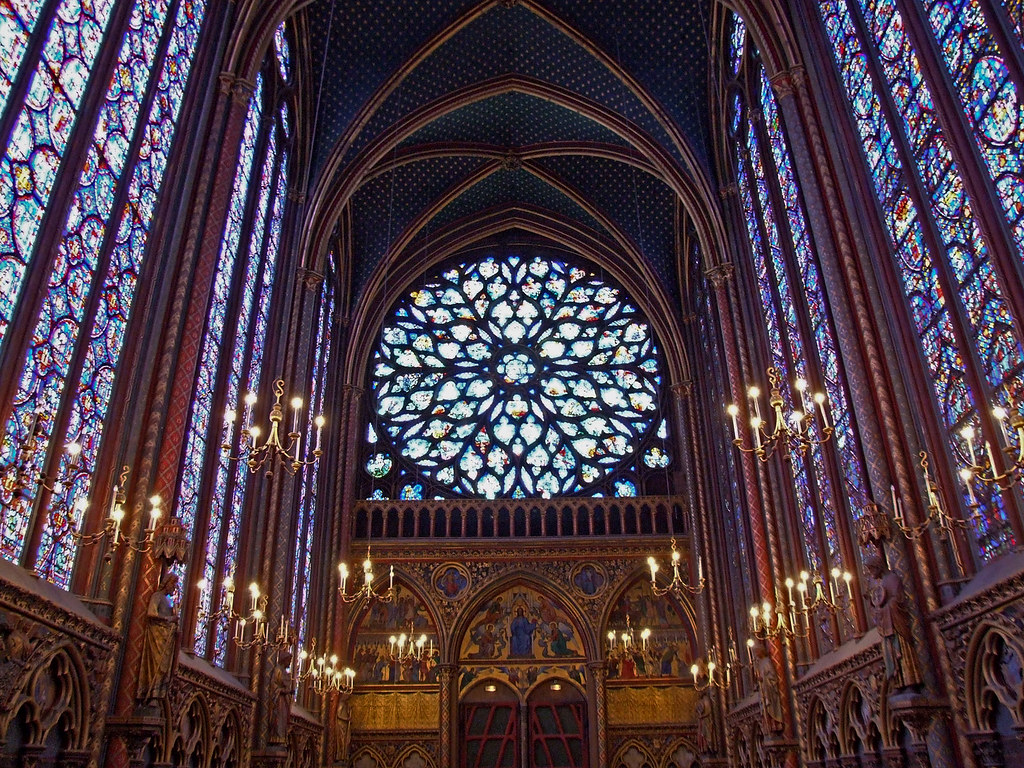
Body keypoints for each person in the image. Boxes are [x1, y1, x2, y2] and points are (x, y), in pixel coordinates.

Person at [864, 551, 922, 690]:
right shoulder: (880, 583)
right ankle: (898, 683)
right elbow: (879, 600)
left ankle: (910, 682)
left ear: (878, 567)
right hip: (886, 627)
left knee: (902, 652)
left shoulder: (892, 579)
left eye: (871, 569)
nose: (870, 573)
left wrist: (883, 608)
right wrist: (873, 604)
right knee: (890, 655)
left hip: (897, 626)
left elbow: (898, 601)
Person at [137, 573, 179, 706]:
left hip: (166, 636)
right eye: (173, 584)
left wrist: (174, 612)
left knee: (165, 668)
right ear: (166, 583)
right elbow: (151, 613)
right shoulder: (157, 596)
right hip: (157, 635)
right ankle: (151, 693)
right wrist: (169, 619)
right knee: (157, 665)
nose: (174, 587)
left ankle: (158, 693)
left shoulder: (168, 600)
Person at [753, 644, 783, 731]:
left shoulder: (766, 662)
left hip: (768, 688)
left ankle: (775, 723)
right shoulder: (759, 663)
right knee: (765, 707)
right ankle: (769, 725)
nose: (756, 654)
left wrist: (764, 678)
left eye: (757, 651)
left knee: (770, 705)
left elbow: (772, 675)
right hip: (763, 689)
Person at [270, 649, 294, 743]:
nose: (290, 663)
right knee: (278, 719)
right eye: (289, 661)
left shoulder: (284, 672)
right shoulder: (278, 670)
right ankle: (276, 738)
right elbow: (274, 685)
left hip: (284, 701)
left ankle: (281, 738)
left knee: (283, 720)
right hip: (279, 700)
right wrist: (284, 691)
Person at [335, 690, 352, 761]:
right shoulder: (341, 704)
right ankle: (340, 755)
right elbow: (338, 715)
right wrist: (347, 719)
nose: (348, 698)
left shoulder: (345, 704)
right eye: (347, 696)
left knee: (345, 740)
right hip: (341, 724)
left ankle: (343, 755)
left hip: (344, 725)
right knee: (341, 740)